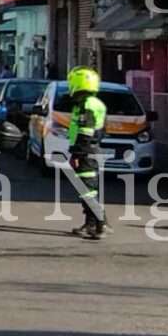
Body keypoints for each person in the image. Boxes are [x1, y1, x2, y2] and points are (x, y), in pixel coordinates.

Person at [65, 66, 110, 240]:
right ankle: (91, 223)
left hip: (86, 153)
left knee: (87, 190)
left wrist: (77, 155)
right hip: (89, 151)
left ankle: (100, 225)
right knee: (86, 190)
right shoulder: (91, 103)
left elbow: (86, 132)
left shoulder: (87, 104)